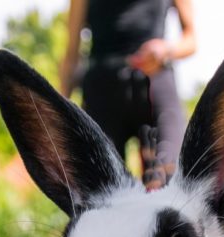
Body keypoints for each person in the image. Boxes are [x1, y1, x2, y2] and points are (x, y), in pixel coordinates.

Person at [59, 0, 195, 189]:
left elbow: (191, 39)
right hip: (103, 92)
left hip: (155, 84)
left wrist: (166, 50)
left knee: (170, 179)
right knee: (99, 188)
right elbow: (72, 54)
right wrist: (58, 118)